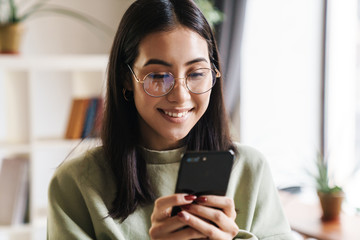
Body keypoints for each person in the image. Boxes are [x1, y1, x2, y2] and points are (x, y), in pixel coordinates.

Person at [47, 0, 294, 239]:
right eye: (158, 75)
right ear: (126, 78)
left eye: (196, 73)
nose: (180, 96)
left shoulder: (251, 169)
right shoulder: (75, 184)